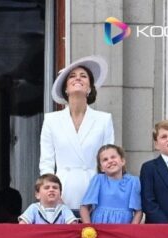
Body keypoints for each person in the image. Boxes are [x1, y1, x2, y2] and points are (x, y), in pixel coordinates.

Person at [39, 55, 114, 216]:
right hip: (62, 192)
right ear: (65, 88)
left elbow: (108, 162)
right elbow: (46, 163)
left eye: (83, 76)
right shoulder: (51, 120)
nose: (77, 79)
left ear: (89, 88)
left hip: (95, 193)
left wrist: (104, 196)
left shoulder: (104, 119)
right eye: (72, 76)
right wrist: (53, 194)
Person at [80, 145, 142, 224]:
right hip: (99, 227)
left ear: (122, 161)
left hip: (124, 228)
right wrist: (88, 227)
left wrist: (131, 230)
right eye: (105, 159)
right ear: (101, 167)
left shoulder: (133, 181)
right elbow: (84, 207)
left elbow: (138, 211)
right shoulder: (98, 179)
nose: (110, 161)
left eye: (113, 157)